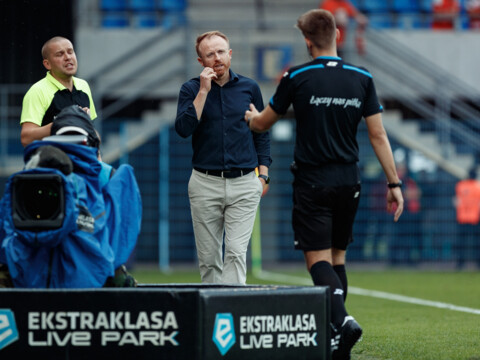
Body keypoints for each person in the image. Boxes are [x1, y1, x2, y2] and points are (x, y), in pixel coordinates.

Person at [245, 9, 403, 359]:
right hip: (349, 181)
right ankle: (337, 341)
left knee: (317, 262)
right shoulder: (362, 77)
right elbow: (378, 134)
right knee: (338, 258)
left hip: (313, 181)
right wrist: (395, 184)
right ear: (337, 36)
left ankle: (343, 323)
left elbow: (263, 124)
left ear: (307, 41)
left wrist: (251, 118)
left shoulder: (297, 76)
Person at [175, 31, 272, 285]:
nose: (216, 58)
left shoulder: (249, 87)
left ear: (230, 54)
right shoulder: (191, 89)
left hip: (244, 182)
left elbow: (261, 133)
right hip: (205, 183)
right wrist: (204, 91)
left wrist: (263, 175)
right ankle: (213, 318)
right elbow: (184, 129)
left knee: (236, 254)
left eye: (220, 52)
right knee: (209, 260)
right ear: (201, 61)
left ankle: (231, 313)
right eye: (210, 54)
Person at [20, 36, 97, 147]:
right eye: (60, 54)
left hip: (83, 158)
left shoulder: (83, 86)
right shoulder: (37, 91)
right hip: (51, 160)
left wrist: (98, 158)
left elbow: (92, 131)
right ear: (47, 64)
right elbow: (26, 138)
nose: (67, 57)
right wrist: (64, 122)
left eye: (70, 52)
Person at [453, 167, 480, 269]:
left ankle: (460, 263)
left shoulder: (460, 186)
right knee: (477, 243)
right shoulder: (478, 187)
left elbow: (456, 201)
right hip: (474, 218)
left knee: (461, 243)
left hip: (462, 218)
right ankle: (478, 262)